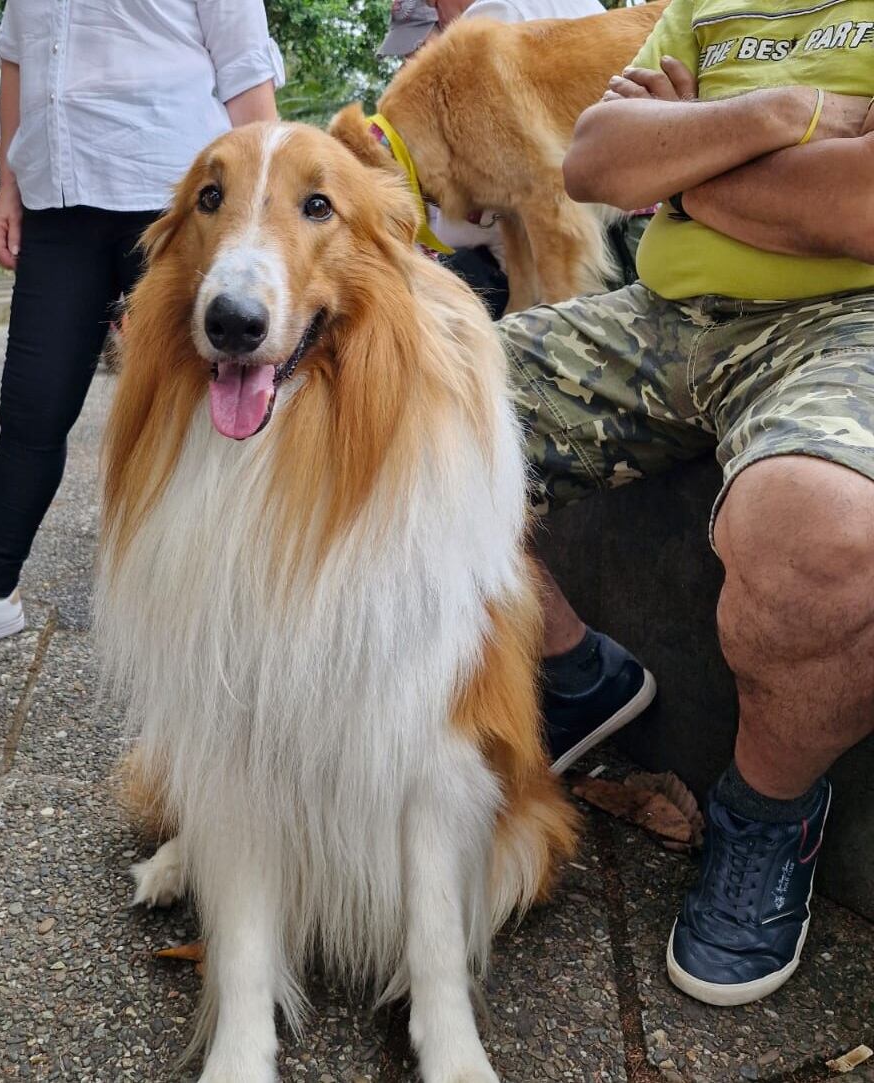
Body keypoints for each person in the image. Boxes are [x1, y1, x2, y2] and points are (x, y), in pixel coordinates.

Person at [502, 0, 874, 1006]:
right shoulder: (708, 7)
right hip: (656, 316)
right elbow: (596, 163)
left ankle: (767, 815)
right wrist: (787, 113)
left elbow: (863, 207)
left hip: (846, 322)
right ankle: (573, 671)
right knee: (380, 407)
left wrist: (685, 168)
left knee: (824, 531)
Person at [0, 1, 283, 665]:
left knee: (215, 398)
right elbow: (18, 65)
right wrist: (8, 188)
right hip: (57, 201)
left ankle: (253, 602)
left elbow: (246, 80)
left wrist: (265, 229)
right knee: (32, 403)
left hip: (175, 200)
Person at [376, 0, 608, 317]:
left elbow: (540, 193)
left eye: (415, 49)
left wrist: (559, 311)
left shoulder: (476, 38)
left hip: (614, 221)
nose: (409, 62)